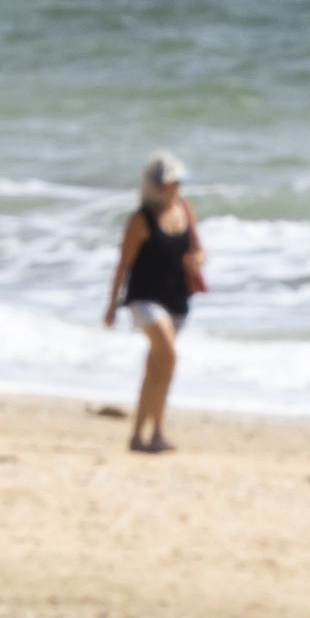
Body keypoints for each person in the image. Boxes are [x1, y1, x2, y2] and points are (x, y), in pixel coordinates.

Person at [102, 154, 203, 456]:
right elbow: (123, 265)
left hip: (176, 297)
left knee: (158, 368)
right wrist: (111, 305)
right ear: (155, 185)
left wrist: (197, 260)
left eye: (178, 181)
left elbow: (199, 248)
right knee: (168, 355)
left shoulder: (185, 209)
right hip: (144, 298)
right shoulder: (140, 220)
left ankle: (147, 434)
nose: (176, 187)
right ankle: (150, 433)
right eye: (170, 182)